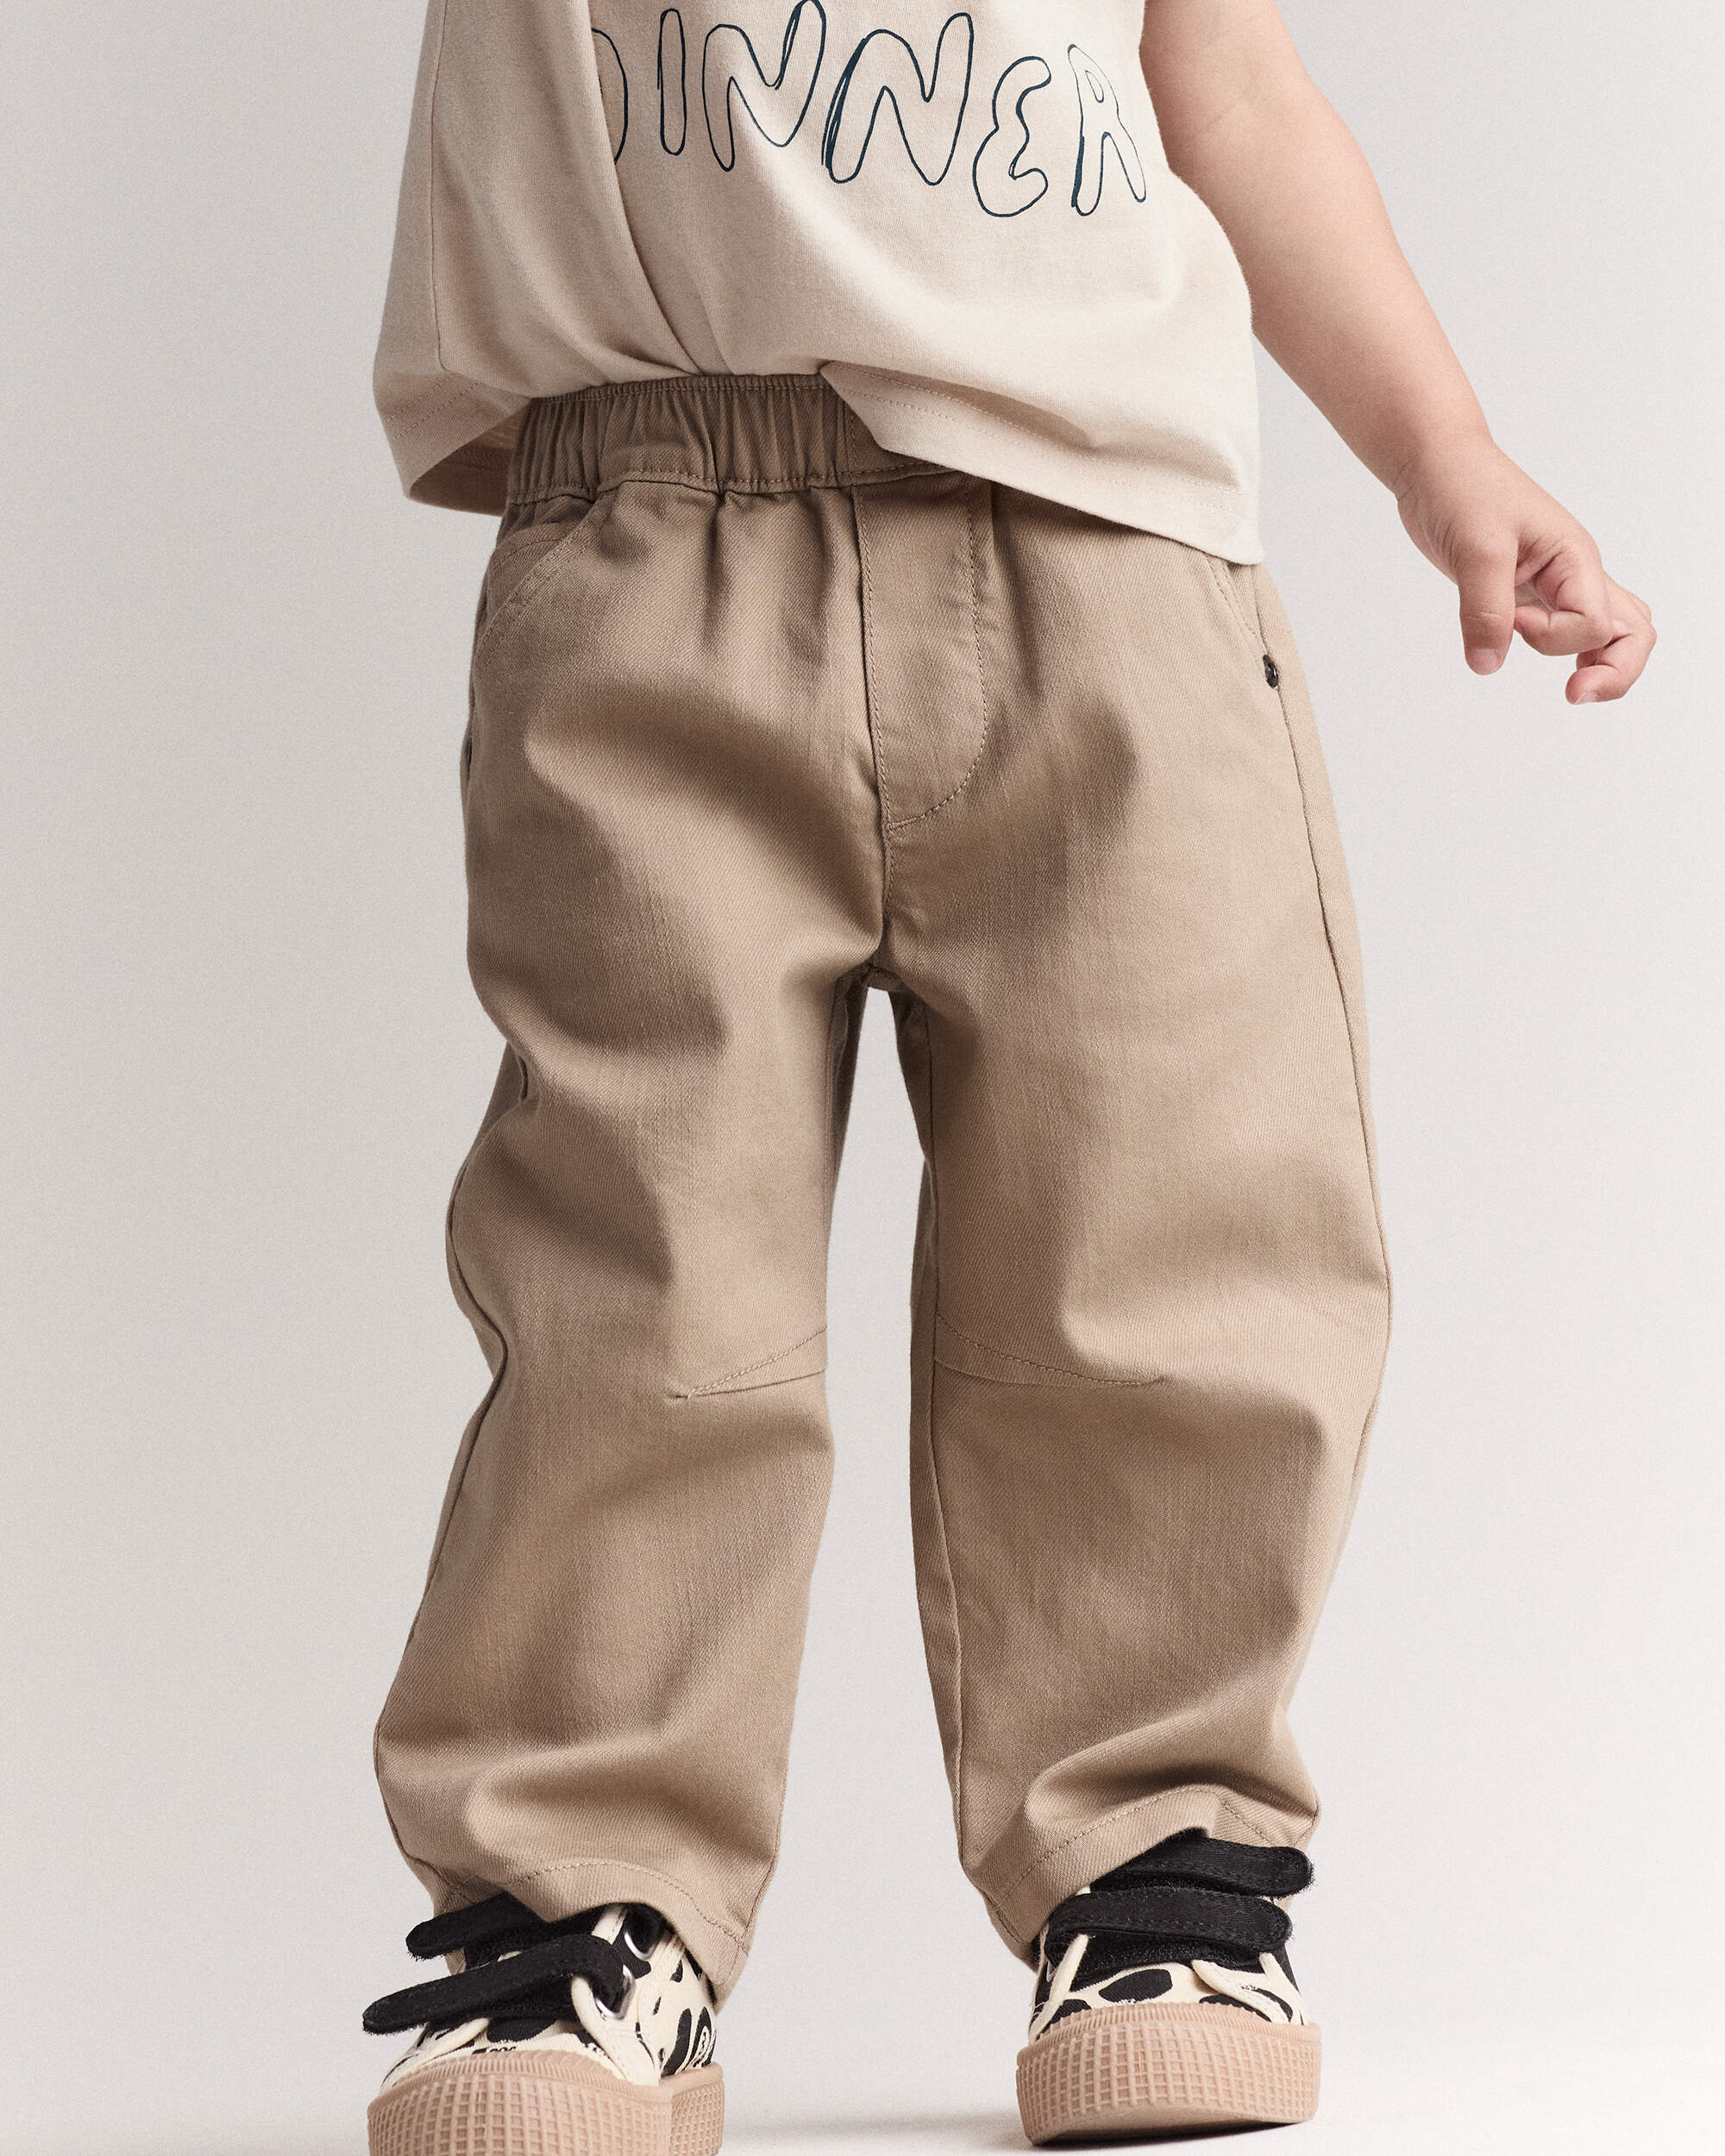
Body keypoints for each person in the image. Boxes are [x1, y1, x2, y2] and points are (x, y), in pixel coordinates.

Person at [356, 3, 1654, 2150]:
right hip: (651, 513)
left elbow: (1228, 85)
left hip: (1108, 533)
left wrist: (1445, 454)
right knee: (636, 1269)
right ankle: (582, 1909)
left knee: (1173, 1208)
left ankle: (1159, 1864)